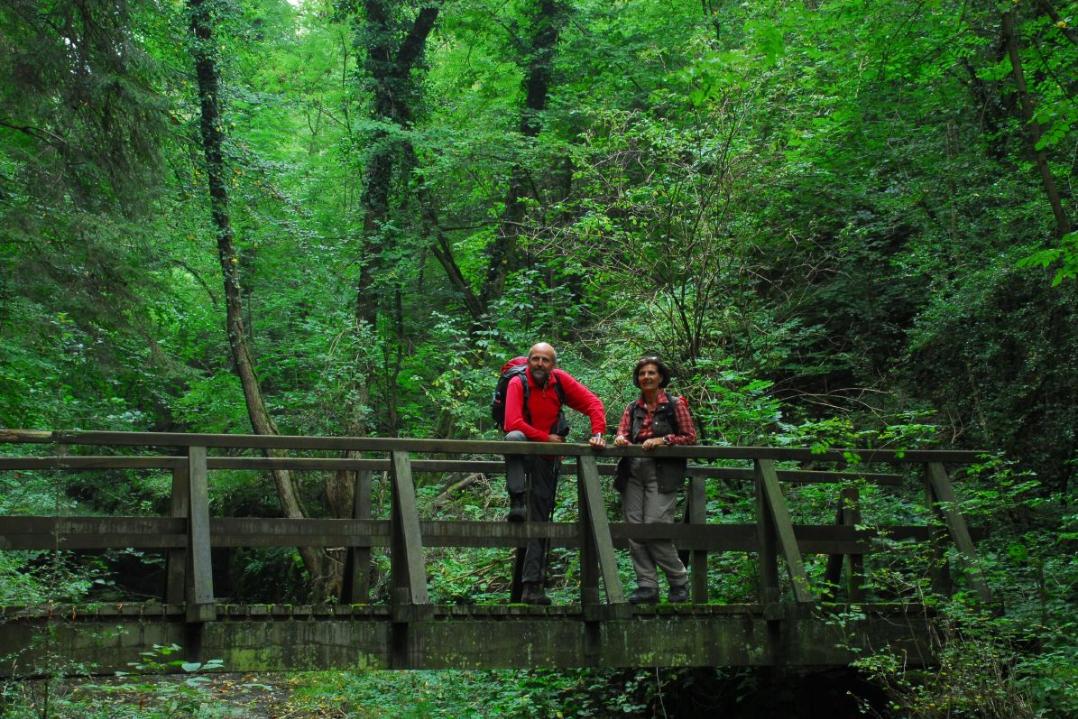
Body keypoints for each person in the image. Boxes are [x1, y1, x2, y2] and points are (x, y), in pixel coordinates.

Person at [503, 342, 607, 605]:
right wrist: (546, 438)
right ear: (528, 361)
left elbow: (593, 403)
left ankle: (532, 587)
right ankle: (516, 499)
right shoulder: (518, 382)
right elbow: (512, 423)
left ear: (553, 365)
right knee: (514, 437)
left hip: (547, 458)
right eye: (535, 359)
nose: (539, 364)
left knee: (541, 519)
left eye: (545, 360)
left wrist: (597, 434)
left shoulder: (559, 382)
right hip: (525, 449)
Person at [613, 356, 697, 604]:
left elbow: (690, 436)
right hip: (632, 470)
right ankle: (647, 586)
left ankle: (678, 581)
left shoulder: (674, 405)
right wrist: (620, 439)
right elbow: (623, 432)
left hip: (662, 472)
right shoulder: (632, 408)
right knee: (635, 529)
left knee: (655, 528)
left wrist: (664, 440)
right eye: (642, 374)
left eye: (651, 373)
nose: (646, 377)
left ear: (661, 377)